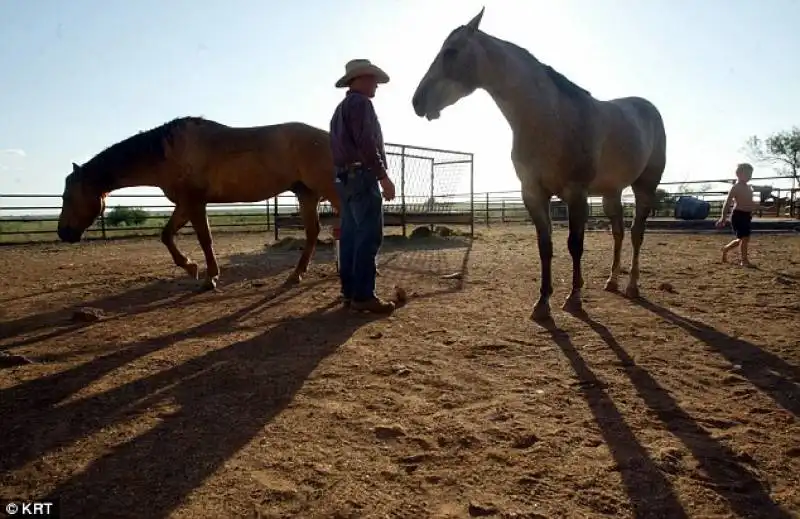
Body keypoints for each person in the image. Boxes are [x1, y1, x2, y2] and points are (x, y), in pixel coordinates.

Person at [329, 59, 397, 313]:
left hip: (344, 180)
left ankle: (350, 292)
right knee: (368, 236)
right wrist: (382, 176)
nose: (376, 86)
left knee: (350, 236)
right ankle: (363, 295)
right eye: (372, 79)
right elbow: (367, 143)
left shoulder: (340, 109)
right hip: (362, 177)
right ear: (358, 80)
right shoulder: (361, 105)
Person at [716, 162, 757, 266]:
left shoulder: (749, 188)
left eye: (750, 174)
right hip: (738, 216)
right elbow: (728, 202)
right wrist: (723, 217)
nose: (749, 176)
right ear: (738, 174)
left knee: (740, 239)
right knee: (745, 238)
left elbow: (750, 203)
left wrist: (763, 207)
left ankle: (725, 249)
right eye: (747, 174)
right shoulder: (736, 187)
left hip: (747, 216)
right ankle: (744, 260)